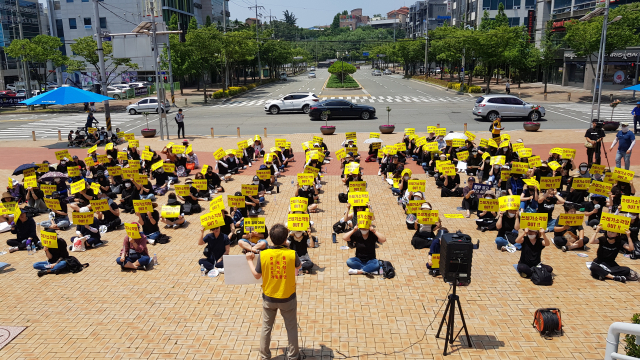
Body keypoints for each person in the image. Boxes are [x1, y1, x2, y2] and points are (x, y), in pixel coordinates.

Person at [245, 224, 301, 360]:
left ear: (270, 238)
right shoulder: (292, 254)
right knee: (291, 327)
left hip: (269, 297)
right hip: (288, 297)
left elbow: (257, 275)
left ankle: (264, 356)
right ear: (285, 239)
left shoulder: (264, 254)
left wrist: (249, 261)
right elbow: (298, 266)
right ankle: (293, 356)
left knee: (266, 328)